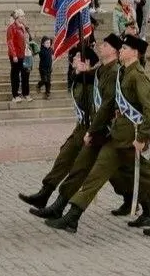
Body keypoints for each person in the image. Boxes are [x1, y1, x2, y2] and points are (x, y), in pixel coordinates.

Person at [47, 34, 150, 237]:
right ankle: (72, 217)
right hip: (118, 138)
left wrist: (142, 138)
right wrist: (93, 130)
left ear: (134, 52)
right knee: (95, 176)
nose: (121, 51)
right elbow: (109, 105)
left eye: (124, 48)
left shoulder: (136, 75)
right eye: (121, 48)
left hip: (133, 139)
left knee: (149, 179)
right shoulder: (123, 73)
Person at [18, 45, 99, 211]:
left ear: (87, 62)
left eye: (77, 57)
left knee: (118, 173)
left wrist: (92, 132)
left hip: (91, 131)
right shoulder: (79, 80)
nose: (73, 60)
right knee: (64, 158)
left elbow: (93, 109)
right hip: (80, 129)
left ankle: (141, 200)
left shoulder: (90, 84)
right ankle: (44, 194)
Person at [6, 11, 32, 102]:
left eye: (24, 16)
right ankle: (15, 95)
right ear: (17, 18)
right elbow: (10, 42)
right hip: (16, 55)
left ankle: (26, 93)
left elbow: (29, 39)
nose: (24, 17)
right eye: (22, 16)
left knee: (25, 74)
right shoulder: (11, 28)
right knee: (15, 75)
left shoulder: (24, 27)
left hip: (25, 55)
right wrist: (14, 55)